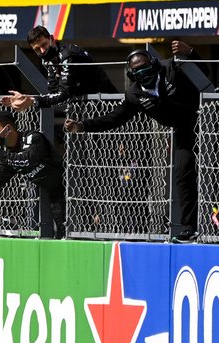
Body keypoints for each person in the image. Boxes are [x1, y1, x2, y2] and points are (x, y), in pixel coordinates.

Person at [64, 40, 205, 242]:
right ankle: (190, 228)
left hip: (207, 117)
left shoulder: (171, 68)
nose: (142, 72)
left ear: (154, 64)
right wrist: (82, 125)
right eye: (136, 70)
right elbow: (114, 118)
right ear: (131, 74)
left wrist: (191, 52)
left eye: (144, 67)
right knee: (183, 172)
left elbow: (203, 73)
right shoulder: (134, 94)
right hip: (184, 130)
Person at [0, 110, 66, 238]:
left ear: (7, 129)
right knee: (63, 234)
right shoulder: (8, 155)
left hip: (72, 187)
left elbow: (26, 160)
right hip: (55, 195)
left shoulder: (33, 137)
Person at [1, 26, 117, 112]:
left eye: (44, 45)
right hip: (84, 108)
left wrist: (32, 100)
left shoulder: (68, 55)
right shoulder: (49, 60)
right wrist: (26, 98)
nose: (42, 51)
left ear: (52, 39)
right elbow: (54, 93)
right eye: (37, 49)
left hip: (107, 104)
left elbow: (64, 95)